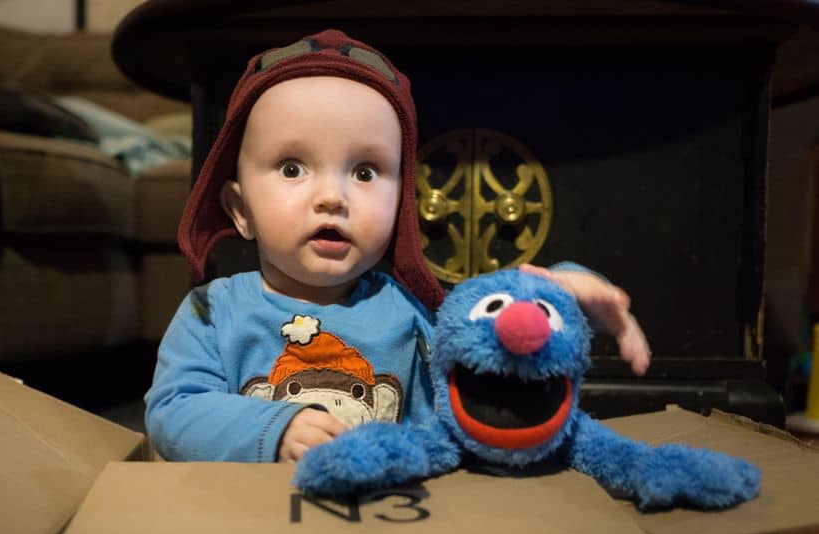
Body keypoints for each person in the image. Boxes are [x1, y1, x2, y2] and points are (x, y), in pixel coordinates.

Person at [145, 29, 650, 463]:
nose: (331, 197)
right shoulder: (214, 312)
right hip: (258, 519)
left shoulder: (410, 312)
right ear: (239, 210)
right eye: (293, 168)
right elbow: (172, 411)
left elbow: (495, 326)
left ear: (402, 203)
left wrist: (564, 289)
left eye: (365, 172)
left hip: (391, 510)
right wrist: (271, 429)